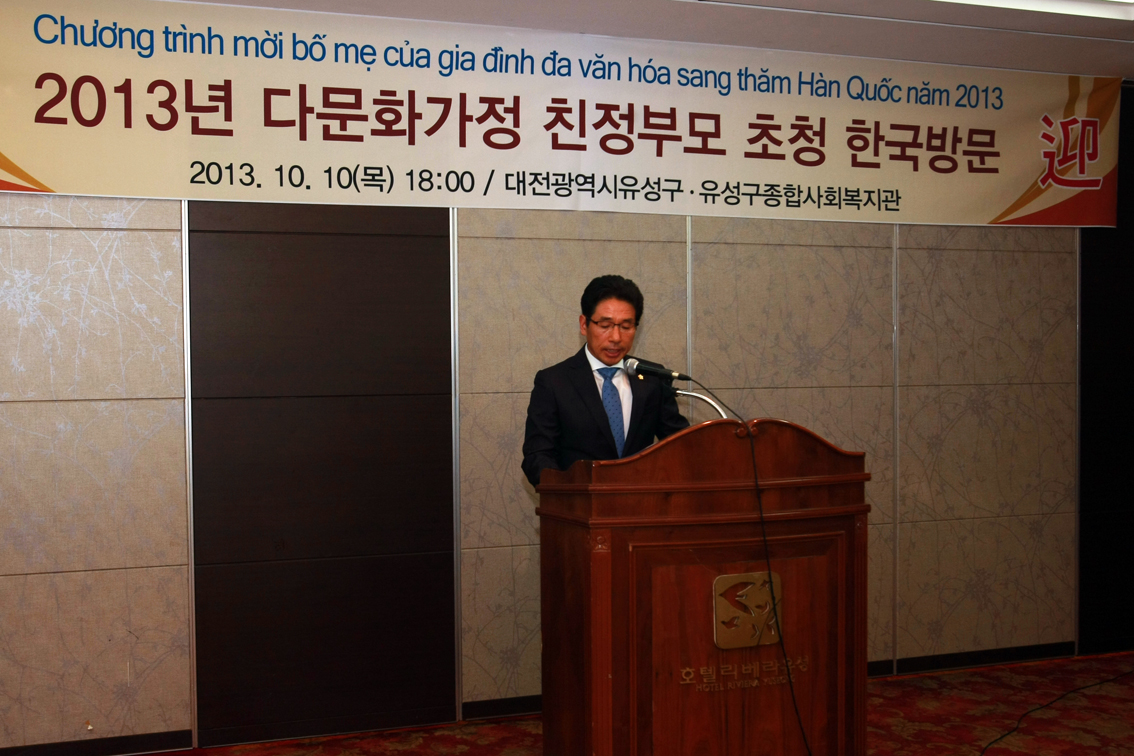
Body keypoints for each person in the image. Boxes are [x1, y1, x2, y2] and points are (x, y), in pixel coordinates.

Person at [521, 274, 689, 487]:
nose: (616, 337)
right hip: (579, 503)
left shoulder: (652, 377)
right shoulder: (554, 382)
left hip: (642, 503)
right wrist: (567, 493)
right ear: (584, 325)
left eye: (626, 326)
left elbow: (681, 447)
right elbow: (537, 456)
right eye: (605, 325)